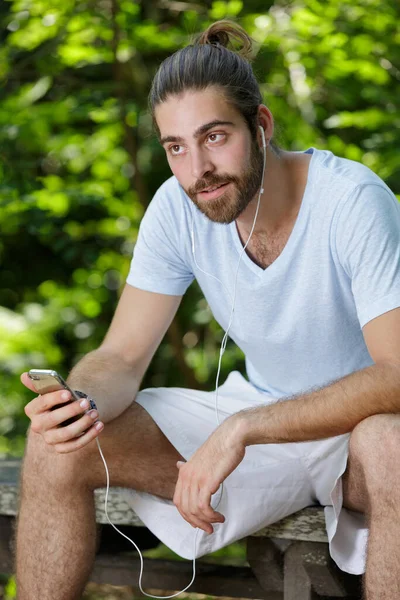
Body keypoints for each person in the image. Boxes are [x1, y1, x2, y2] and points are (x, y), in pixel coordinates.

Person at [16, 19, 400, 600]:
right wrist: (83, 401)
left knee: (390, 444)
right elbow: (121, 354)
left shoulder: (353, 202)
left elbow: (395, 374)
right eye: (176, 147)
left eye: (215, 136)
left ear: (262, 126)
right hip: (261, 417)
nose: (198, 169)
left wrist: (241, 428)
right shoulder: (177, 206)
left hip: (354, 439)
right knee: (57, 444)